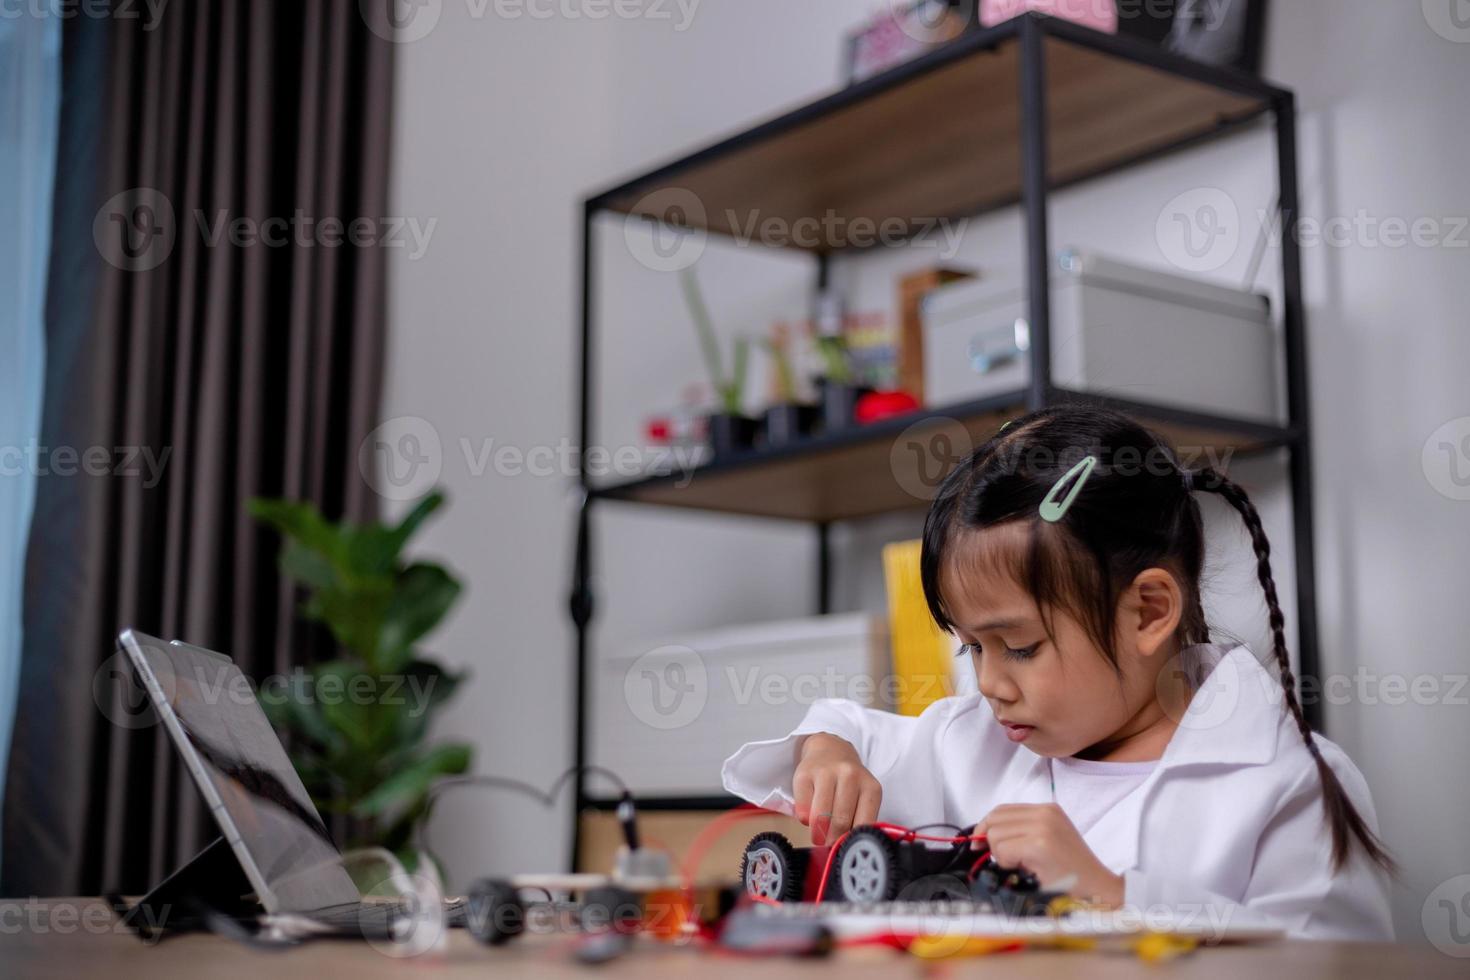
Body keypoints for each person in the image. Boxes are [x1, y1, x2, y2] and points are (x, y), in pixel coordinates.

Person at [722, 406, 1395, 939]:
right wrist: (828, 752)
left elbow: (1334, 961)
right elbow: (845, 729)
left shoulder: (1289, 782)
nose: (989, 685)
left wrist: (1111, 893)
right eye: (971, 649)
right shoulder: (973, 742)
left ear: (1147, 612)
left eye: (1019, 647)